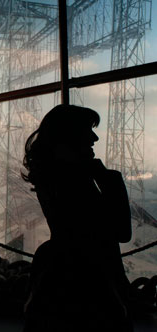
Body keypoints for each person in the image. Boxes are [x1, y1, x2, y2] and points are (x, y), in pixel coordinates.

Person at [21, 105, 133, 332]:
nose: (94, 137)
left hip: (60, 276)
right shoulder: (76, 180)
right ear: (69, 136)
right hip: (89, 281)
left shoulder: (52, 176)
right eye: (87, 131)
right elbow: (122, 232)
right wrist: (111, 180)